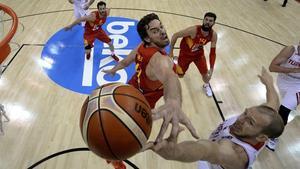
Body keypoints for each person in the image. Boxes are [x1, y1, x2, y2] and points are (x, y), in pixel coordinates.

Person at [145, 67, 285, 169]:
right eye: (245, 113)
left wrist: (176, 152)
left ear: (262, 138)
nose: (241, 119)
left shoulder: (236, 153)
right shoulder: (264, 118)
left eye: (250, 122)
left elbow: (207, 150)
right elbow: (273, 102)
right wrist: (269, 84)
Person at [103, 13, 199, 143]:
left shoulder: (142, 46)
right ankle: (116, 152)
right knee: (134, 135)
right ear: (147, 38)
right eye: (155, 31)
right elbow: (170, 77)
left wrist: (114, 69)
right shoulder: (159, 60)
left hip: (130, 89)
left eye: (161, 27)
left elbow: (125, 62)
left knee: (119, 126)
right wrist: (173, 101)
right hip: (142, 103)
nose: (163, 32)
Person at [169, 12, 218, 97]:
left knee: (206, 76)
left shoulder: (213, 35)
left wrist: (212, 68)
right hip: (185, 55)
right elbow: (175, 35)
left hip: (199, 55)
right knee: (180, 75)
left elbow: (212, 53)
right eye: (206, 19)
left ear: (213, 23)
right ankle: (176, 61)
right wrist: (171, 51)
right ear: (203, 20)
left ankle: (206, 85)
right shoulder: (193, 30)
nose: (207, 22)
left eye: (210, 21)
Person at [268, 42, 300, 151]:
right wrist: (294, 70)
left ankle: (273, 137)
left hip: (298, 86)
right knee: (283, 104)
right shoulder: (290, 50)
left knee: (284, 111)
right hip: (283, 81)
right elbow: (272, 67)